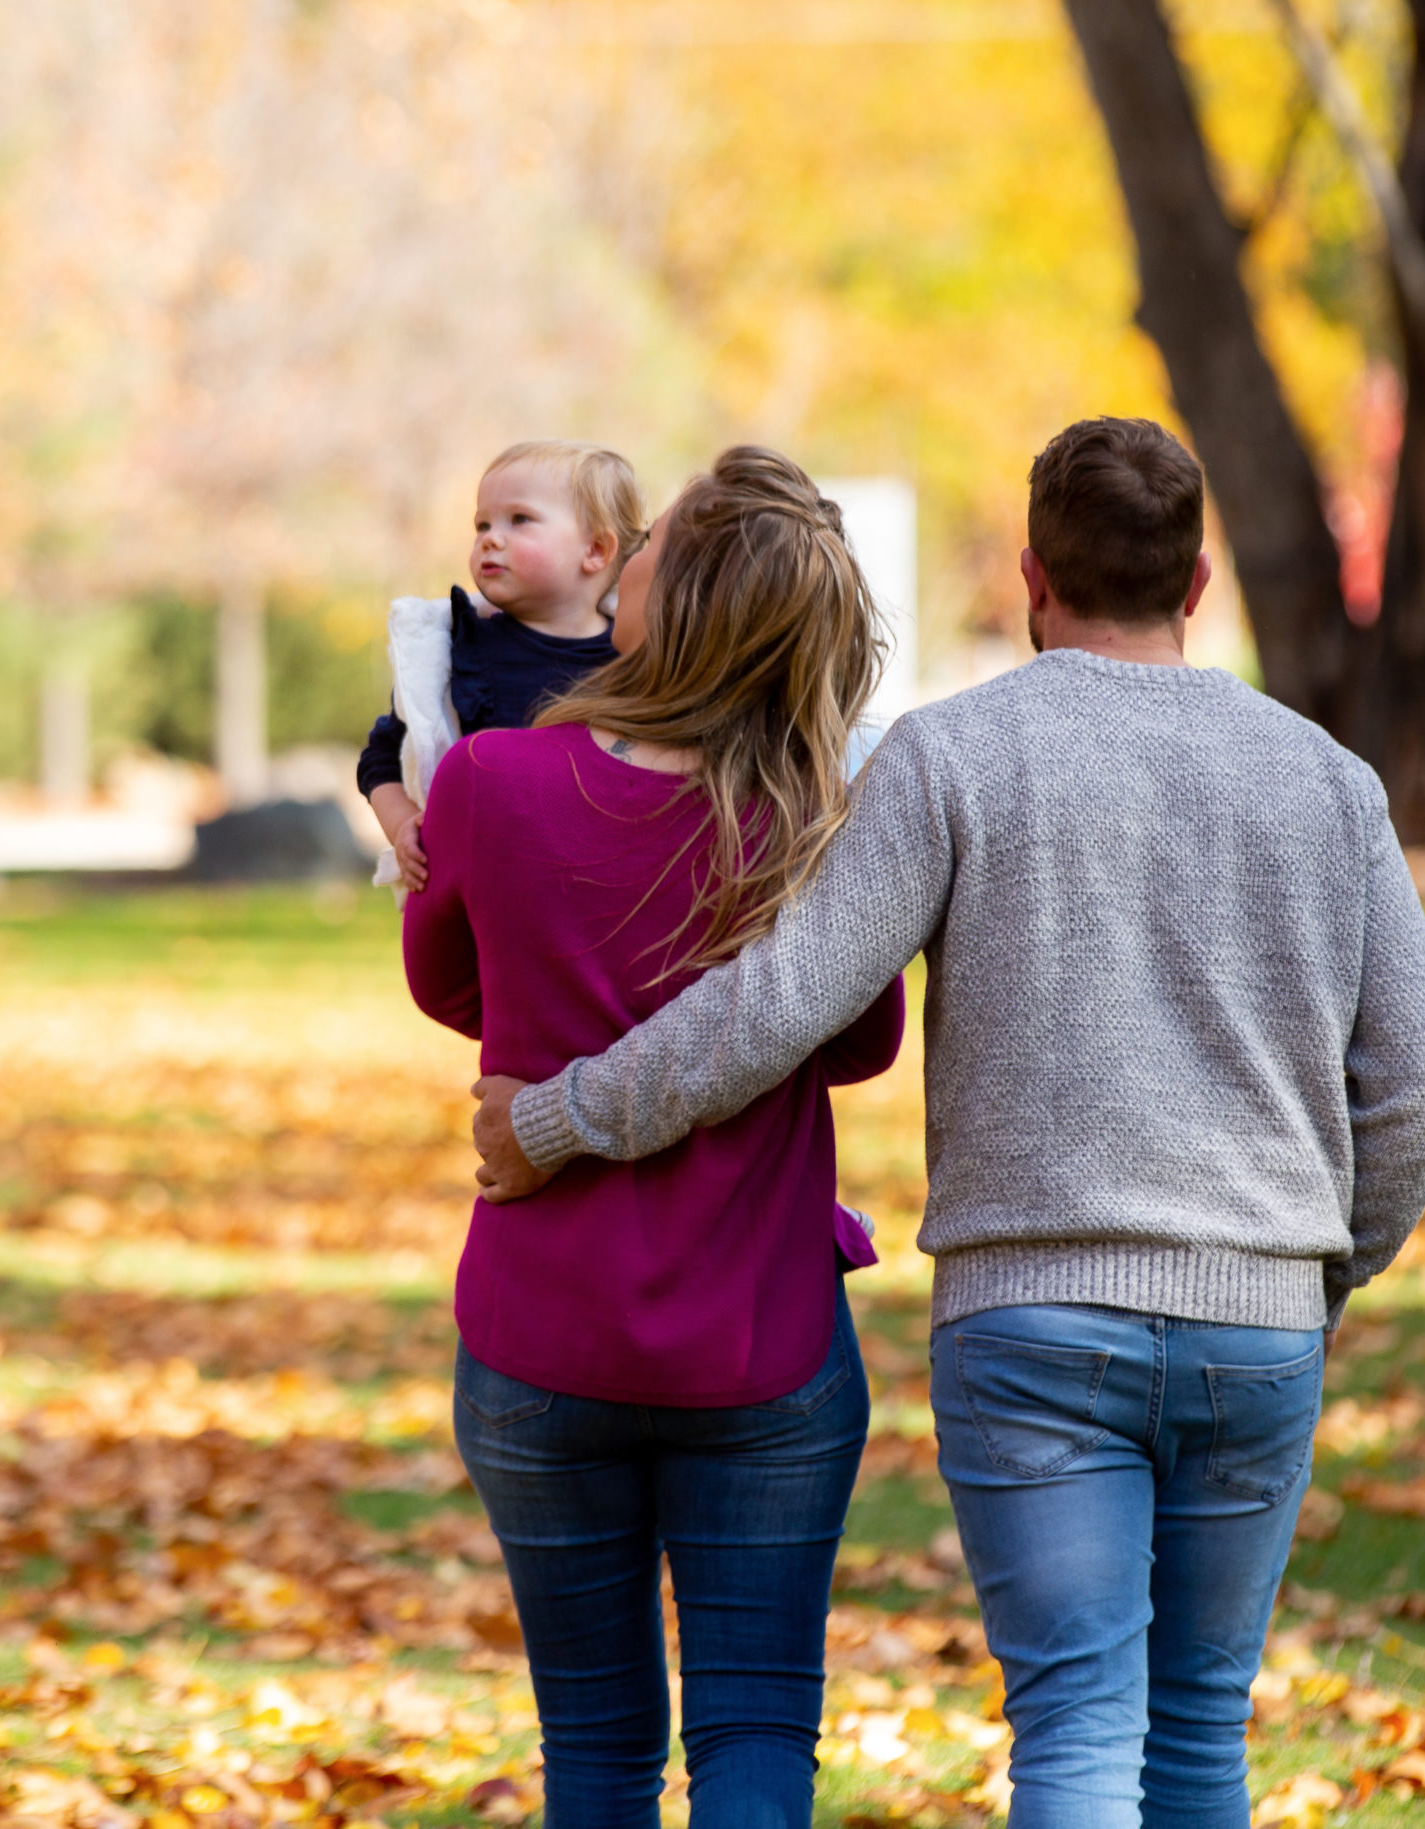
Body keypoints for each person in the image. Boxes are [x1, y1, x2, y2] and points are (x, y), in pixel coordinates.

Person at [467, 419, 1425, 1829]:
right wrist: (1313, 1267)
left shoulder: (955, 758)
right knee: (1196, 1728)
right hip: (1260, 1323)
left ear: (1031, 576)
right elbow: (1422, 1089)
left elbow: (776, 1009)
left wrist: (560, 1117)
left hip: (1035, 1318)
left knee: (1074, 1724)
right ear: (1195, 587)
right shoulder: (1329, 782)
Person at [403, 447, 905, 1828]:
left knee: (601, 1748)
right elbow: (860, 1044)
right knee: (754, 1727)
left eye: (647, 547)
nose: (616, 561)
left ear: (673, 602)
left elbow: (448, 986)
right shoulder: (811, 823)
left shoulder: (495, 786)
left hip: (536, 1334)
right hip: (762, 1340)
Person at [358, 440, 647, 894]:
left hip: (600, 894)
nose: (490, 538)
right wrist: (401, 826)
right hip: (486, 890)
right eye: (482, 524)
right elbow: (379, 759)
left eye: (520, 520)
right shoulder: (455, 651)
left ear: (595, 549)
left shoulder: (636, 660)